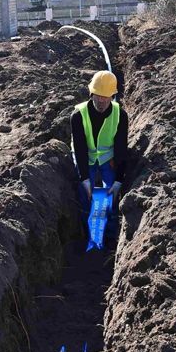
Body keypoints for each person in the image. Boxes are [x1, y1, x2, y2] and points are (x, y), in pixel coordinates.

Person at [70, 70, 128, 237]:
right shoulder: (78, 116)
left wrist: (118, 180)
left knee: (110, 195)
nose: (102, 100)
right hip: (86, 159)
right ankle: (87, 232)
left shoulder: (120, 115)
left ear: (113, 96)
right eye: (98, 96)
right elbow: (80, 149)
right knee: (84, 195)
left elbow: (121, 148)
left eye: (106, 96)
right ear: (91, 93)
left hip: (108, 159)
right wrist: (85, 179)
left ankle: (110, 233)